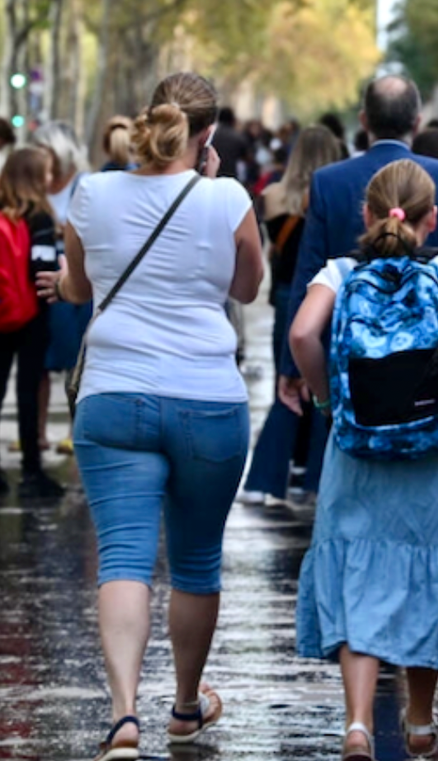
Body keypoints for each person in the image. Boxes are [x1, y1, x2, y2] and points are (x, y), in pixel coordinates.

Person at [34, 71, 263, 760]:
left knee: (125, 558)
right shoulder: (226, 197)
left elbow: (79, 285)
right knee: (195, 562)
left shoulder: (93, 193)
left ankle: (123, 716)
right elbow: (247, 289)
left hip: (114, 395)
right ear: (208, 134)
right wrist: (211, 192)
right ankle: (186, 706)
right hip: (207, 399)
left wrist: (72, 281)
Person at [291, 159, 438, 760]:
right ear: (433, 218)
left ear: (367, 213)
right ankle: (418, 718)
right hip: (435, 446)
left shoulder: (340, 271)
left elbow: (303, 335)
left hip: (357, 444)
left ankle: (357, 723)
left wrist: (329, 399)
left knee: (358, 573)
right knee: (427, 573)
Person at [277, 76, 438, 457]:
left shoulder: (328, 181)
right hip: (433, 376)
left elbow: (307, 273)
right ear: (417, 122)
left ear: (363, 120)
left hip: (353, 369)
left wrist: (293, 368)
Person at [239, 126, 344, 505]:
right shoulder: (335, 195)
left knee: (287, 380)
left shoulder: (271, 197)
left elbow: (269, 252)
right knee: (323, 380)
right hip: (328, 295)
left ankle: (268, 474)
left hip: (285, 295)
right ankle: (316, 475)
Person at [0, 148, 65, 498]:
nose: (50, 179)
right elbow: (40, 271)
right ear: (34, 177)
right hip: (29, 317)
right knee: (28, 392)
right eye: (47, 172)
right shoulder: (39, 216)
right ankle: (31, 473)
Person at [32, 120, 92, 456]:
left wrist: (62, 229)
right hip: (39, 276)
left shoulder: (85, 184)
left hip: (74, 277)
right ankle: (37, 433)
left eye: (45, 150)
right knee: (39, 360)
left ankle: (75, 431)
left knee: (76, 359)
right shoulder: (36, 186)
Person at [211, 106, 249, 182]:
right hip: (230, 173)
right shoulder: (238, 137)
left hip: (212, 172)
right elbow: (245, 157)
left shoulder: (211, 134)